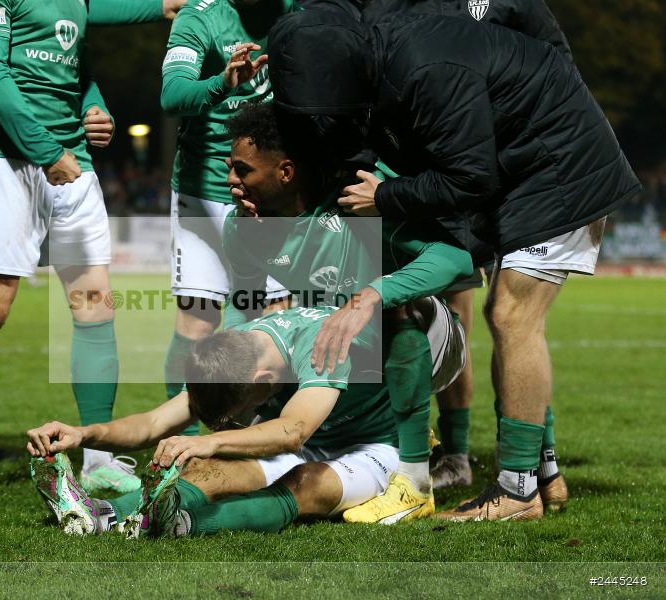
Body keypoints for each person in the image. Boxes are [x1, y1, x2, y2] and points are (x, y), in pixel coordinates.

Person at [268, 4, 641, 520]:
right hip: (523, 165)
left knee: (512, 315)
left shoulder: (423, 67)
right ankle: (543, 474)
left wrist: (388, 196)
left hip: (558, 167)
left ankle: (517, 493)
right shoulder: (385, 53)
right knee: (507, 316)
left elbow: (470, 178)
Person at [0, 0, 183, 496]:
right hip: (4, 157)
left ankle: (97, 458)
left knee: (94, 303)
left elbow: (75, 61)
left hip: (70, 159)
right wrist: (45, 150)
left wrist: (95, 106)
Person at [359, 0, 578, 505]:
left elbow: (555, 64)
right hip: (446, 166)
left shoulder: (512, 3)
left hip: (500, 169)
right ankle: (514, 465)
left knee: (502, 317)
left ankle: (500, 463)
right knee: (489, 314)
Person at [220, 101, 472, 522]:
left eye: (243, 170)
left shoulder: (353, 203)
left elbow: (455, 260)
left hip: (429, 336)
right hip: (348, 339)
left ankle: (414, 481)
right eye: (229, 167)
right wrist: (233, 358)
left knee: (398, 317)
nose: (231, 181)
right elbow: (242, 299)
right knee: (256, 340)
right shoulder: (242, 226)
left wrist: (373, 293)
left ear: (285, 171)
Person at [25, 303, 463, 537]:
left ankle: (180, 524)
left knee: (308, 482)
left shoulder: (318, 344)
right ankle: (97, 515)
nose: (224, 424)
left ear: (263, 380)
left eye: (232, 415)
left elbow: (294, 432)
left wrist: (211, 441)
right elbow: (153, 424)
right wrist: (82, 435)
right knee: (206, 470)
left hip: (375, 444)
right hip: (309, 431)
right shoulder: (234, 356)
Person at [160, 0, 296, 428]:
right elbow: (172, 95)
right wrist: (221, 82)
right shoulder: (200, 16)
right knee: (198, 321)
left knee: (272, 320)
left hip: (273, 195)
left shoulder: (298, 12)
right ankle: (181, 442)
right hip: (206, 193)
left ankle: (258, 437)